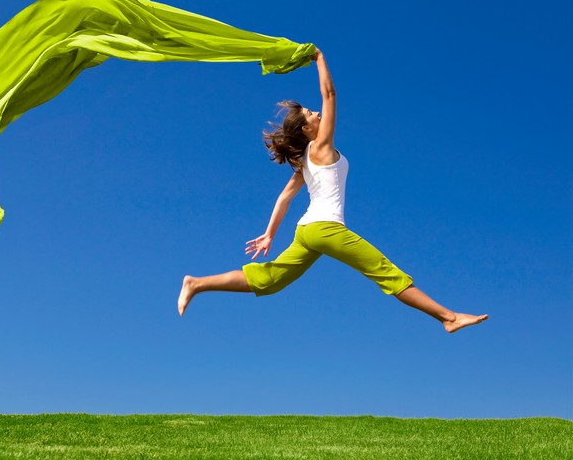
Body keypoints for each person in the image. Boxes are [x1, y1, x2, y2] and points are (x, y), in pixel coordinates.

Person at [177, 50, 488, 333]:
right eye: (312, 114)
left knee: (269, 280)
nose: (317, 114)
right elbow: (330, 93)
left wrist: (270, 233)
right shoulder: (321, 147)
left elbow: (285, 197)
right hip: (326, 228)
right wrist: (318, 57)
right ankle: (448, 318)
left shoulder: (304, 160)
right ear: (307, 130)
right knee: (385, 271)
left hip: (307, 231)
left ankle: (197, 283)